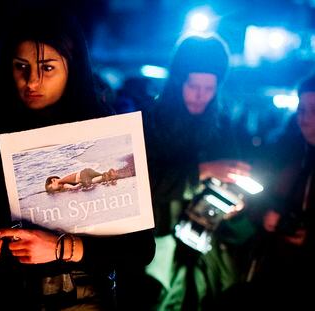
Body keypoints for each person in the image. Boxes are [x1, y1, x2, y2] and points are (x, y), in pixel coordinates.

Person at [0, 7, 155, 311]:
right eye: (20, 66)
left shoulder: (105, 133)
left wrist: (61, 247)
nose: (32, 81)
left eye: (47, 68)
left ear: (73, 67)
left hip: (83, 301)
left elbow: (139, 249)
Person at [141, 34, 256, 310]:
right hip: (157, 245)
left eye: (209, 87)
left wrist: (236, 203)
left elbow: (236, 180)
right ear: (178, 81)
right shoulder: (151, 121)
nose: (201, 95)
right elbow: (145, 183)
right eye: (193, 85)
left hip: (206, 248)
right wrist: (203, 171)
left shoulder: (222, 126)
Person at [237, 72, 315, 309]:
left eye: (314, 111)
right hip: (275, 272)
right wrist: (264, 215)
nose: (305, 119)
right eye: (302, 110)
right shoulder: (287, 155)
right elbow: (262, 194)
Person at [45, 167, 118, 193]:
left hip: (83, 174)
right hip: (87, 171)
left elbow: (73, 187)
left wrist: (78, 186)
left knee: (90, 182)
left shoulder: (61, 181)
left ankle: (106, 176)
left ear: (53, 180)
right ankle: (109, 174)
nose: (53, 190)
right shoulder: (65, 181)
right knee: (99, 177)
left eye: (51, 188)